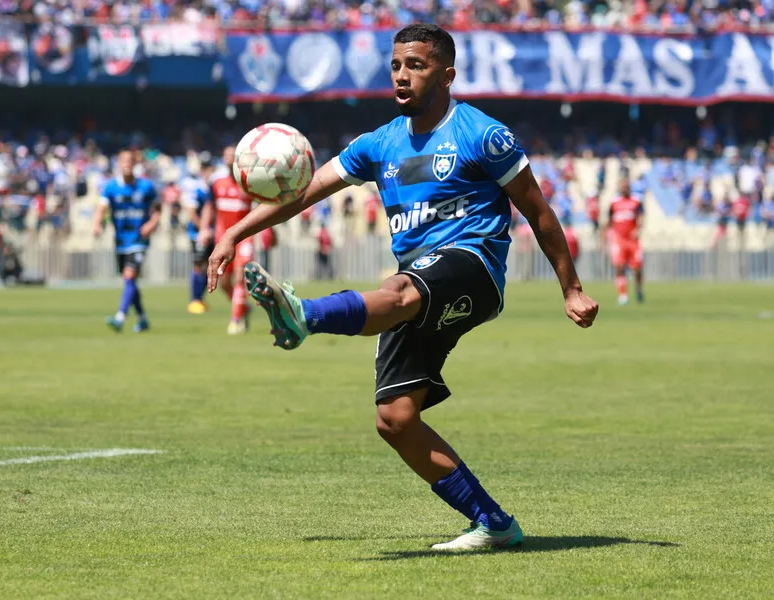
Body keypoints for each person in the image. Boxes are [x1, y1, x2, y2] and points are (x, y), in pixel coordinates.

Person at [208, 24, 598, 552]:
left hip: (473, 266)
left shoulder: (485, 135)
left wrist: (570, 289)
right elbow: (306, 193)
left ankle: (305, 315)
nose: (401, 75)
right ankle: (495, 524)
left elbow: (540, 213)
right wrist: (234, 231)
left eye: (416, 65)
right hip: (417, 277)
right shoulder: (379, 143)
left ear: (447, 74)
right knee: (395, 418)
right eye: (396, 65)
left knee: (401, 292)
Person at [93, 149, 160, 333]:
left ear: (135, 164)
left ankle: (120, 317)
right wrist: (97, 224)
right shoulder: (110, 187)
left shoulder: (146, 186)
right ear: (119, 164)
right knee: (130, 282)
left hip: (139, 239)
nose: (127, 165)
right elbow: (101, 208)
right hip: (121, 241)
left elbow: (157, 209)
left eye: (130, 161)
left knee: (129, 276)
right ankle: (143, 319)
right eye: (124, 161)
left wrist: (152, 223)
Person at [201, 145, 254, 335]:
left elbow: (261, 209)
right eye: (228, 155)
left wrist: (268, 231)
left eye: (234, 155)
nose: (231, 159)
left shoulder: (249, 183)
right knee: (223, 282)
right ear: (224, 158)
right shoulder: (217, 183)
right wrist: (204, 228)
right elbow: (209, 206)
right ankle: (242, 308)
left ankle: (236, 320)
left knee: (240, 278)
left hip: (244, 238)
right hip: (222, 239)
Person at [181, 153, 215, 314]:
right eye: (204, 168)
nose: (207, 171)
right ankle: (194, 300)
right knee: (198, 265)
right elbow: (191, 212)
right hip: (198, 234)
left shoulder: (213, 187)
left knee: (210, 266)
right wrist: (203, 229)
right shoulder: (196, 188)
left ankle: (200, 300)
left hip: (213, 233)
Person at [605, 180, 644, 305]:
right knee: (620, 266)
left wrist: (638, 229)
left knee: (637, 268)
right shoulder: (614, 202)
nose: (625, 189)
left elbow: (641, 216)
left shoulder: (636, 201)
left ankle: (638, 289)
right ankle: (623, 295)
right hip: (619, 239)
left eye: (627, 187)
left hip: (632, 240)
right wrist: (608, 235)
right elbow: (609, 220)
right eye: (623, 187)